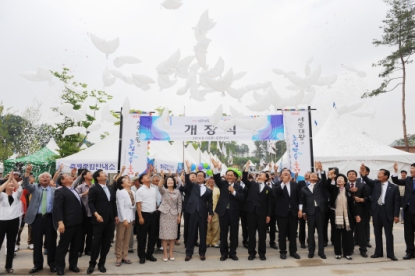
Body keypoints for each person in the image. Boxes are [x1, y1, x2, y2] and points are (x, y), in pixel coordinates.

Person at [22, 164, 57, 274]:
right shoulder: (35, 188)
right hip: (37, 219)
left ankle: (52, 264)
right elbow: (26, 184)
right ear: (39, 179)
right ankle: (38, 265)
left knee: (51, 242)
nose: (45, 178)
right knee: (37, 243)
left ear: (50, 179)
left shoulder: (55, 190)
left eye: (47, 177)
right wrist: (27, 172)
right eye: (43, 177)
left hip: (51, 218)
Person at [360, 164, 400, 261]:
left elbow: (396, 202)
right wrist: (363, 174)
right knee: (377, 233)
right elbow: (366, 180)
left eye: (380, 174)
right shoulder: (375, 184)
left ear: (386, 176)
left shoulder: (394, 187)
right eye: (378, 173)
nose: (378, 175)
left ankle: (390, 254)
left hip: (388, 213)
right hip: (377, 211)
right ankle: (378, 252)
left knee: (388, 234)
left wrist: (396, 215)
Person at [211, 159, 244, 261]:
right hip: (223, 212)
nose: (229, 177)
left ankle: (233, 253)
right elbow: (216, 178)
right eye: (227, 175)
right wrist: (216, 168)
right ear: (225, 176)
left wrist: (234, 192)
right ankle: (223, 253)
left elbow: (242, 198)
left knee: (234, 234)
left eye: (231, 175)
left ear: (235, 177)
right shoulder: (222, 184)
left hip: (234, 213)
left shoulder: (239, 187)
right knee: (223, 234)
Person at [87, 169, 118, 274]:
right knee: (96, 243)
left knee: (106, 243)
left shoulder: (110, 188)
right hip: (99, 220)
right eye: (103, 174)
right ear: (98, 178)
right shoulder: (94, 189)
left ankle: (102, 263)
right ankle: (92, 264)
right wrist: (96, 214)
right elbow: (91, 203)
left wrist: (116, 215)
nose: (105, 174)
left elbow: (113, 203)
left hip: (109, 220)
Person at [53, 173, 84, 275]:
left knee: (76, 245)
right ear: (62, 180)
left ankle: (73, 265)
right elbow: (57, 207)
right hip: (67, 223)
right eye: (67, 176)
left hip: (78, 222)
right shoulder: (60, 191)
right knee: (63, 246)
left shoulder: (73, 189)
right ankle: (60, 267)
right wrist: (60, 222)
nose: (70, 177)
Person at [242, 161, 272, 261]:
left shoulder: (268, 189)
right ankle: (251, 252)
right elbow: (244, 179)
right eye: (259, 174)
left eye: (261, 174)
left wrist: (268, 215)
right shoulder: (252, 185)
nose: (259, 175)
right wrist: (246, 168)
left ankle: (262, 253)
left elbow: (269, 203)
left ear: (266, 178)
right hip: (251, 213)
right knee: (251, 234)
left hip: (262, 214)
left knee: (262, 234)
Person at [184, 160, 213, 261]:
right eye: (198, 175)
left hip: (203, 214)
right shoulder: (193, 186)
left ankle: (202, 253)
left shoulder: (209, 190)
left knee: (203, 234)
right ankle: (189, 253)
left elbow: (210, 203)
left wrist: (210, 214)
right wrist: (188, 169)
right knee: (191, 233)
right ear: (196, 177)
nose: (199, 177)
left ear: (205, 178)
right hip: (192, 212)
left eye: (201, 175)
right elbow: (187, 180)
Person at [326, 171, 357, 260]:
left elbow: (351, 205)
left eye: (341, 179)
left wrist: (356, 215)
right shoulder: (333, 189)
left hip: (347, 216)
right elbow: (327, 185)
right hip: (335, 215)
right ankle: (338, 252)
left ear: (345, 182)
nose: (339, 180)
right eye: (338, 179)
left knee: (347, 235)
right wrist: (330, 177)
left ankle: (347, 253)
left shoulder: (348, 192)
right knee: (336, 235)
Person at [300, 162, 328, 259]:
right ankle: (311, 251)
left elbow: (324, 179)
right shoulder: (304, 189)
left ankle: (321, 252)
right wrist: (303, 212)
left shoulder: (320, 185)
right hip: (310, 212)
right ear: (308, 178)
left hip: (320, 211)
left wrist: (321, 170)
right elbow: (302, 201)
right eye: (311, 175)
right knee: (311, 233)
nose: (313, 176)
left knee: (321, 232)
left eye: (315, 175)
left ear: (317, 178)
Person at [274, 169, 302, 260]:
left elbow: (299, 198)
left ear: (290, 175)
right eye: (284, 173)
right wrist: (283, 183)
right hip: (282, 213)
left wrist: (300, 210)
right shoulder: (277, 184)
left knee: (293, 233)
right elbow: (276, 193)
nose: (286, 174)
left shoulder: (295, 185)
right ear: (281, 175)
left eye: (288, 173)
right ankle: (282, 251)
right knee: (282, 233)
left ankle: (293, 251)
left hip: (293, 212)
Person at [0, 172, 23, 273]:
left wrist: (13, 179)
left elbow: (20, 188)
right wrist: (7, 181)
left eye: (12, 185)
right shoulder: (2, 196)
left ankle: (8, 266)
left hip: (13, 221)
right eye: (10, 184)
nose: (12, 185)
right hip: (1, 221)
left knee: (11, 244)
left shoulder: (16, 195)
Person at [391, 162, 415, 259]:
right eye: (411, 168)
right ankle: (410, 252)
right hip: (408, 210)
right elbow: (396, 181)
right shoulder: (408, 179)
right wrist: (396, 171)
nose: (411, 170)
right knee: (408, 233)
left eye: (413, 168)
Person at [158, 170, 182, 261]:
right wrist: (162, 177)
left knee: (172, 235)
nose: (170, 182)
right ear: (166, 182)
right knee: (164, 235)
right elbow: (159, 186)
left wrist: (179, 216)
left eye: (171, 180)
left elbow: (180, 204)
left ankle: (171, 253)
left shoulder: (177, 192)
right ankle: (165, 253)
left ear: (174, 182)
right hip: (164, 214)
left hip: (174, 215)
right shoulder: (164, 191)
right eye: (168, 181)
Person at [136, 172, 158, 264]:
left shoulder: (153, 189)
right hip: (144, 215)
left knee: (153, 236)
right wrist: (140, 217)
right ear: (141, 180)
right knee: (142, 237)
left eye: (148, 176)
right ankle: (141, 255)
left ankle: (150, 254)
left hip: (153, 214)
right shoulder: (139, 191)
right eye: (145, 176)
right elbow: (138, 205)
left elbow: (155, 201)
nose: (148, 177)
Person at [347, 169, 369, 257]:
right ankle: (350, 249)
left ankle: (363, 249)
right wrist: (349, 191)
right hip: (349, 213)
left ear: (356, 176)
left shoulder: (362, 185)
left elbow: (368, 198)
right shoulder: (345, 186)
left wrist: (361, 199)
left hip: (360, 212)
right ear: (347, 177)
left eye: (353, 174)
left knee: (361, 232)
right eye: (349, 174)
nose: (351, 175)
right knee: (349, 232)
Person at [114, 176, 135, 267]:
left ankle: (125, 256)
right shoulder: (121, 192)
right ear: (122, 184)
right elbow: (121, 207)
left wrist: (132, 218)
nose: (129, 181)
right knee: (120, 237)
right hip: (123, 218)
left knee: (127, 238)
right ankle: (118, 257)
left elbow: (132, 207)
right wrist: (125, 219)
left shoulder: (132, 192)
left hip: (130, 217)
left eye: (129, 180)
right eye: (126, 180)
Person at [75, 170, 94, 257]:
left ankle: (89, 249)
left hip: (92, 213)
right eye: (89, 174)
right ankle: (79, 250)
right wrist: (84, 194)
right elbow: (75, 197)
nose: (91, 175)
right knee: (81, 233)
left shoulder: (94, 186)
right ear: (85, 176)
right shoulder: (80, 187)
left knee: (91, 233)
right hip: (83, 213)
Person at [205, 177, 220, 248]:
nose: (211, 182)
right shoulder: (205, 189)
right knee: (207, 227)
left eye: (212, 181)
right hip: (206, 211)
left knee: (216, 227)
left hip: (216, 211)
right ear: (208, 181)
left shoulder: (218, 190)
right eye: (210, 181)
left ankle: (214, 242)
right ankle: (207, 242)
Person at [297, 171, 310, 249]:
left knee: (311, 226)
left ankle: (310, 240)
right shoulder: (300, 182)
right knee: (302, 226)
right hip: (302, 207)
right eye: (305, 174)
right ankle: (302, 242)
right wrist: (300, 209)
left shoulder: (314, 184)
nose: (306, 175)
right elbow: (299, 196)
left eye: (308, 174)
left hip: (311, 207)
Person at [128, 175, 140, 253]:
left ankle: (131, 245)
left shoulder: (141, 188)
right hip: (131, 212)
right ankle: (129, 247)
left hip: (139, 210)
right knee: (130, 230)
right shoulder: (131, 189)